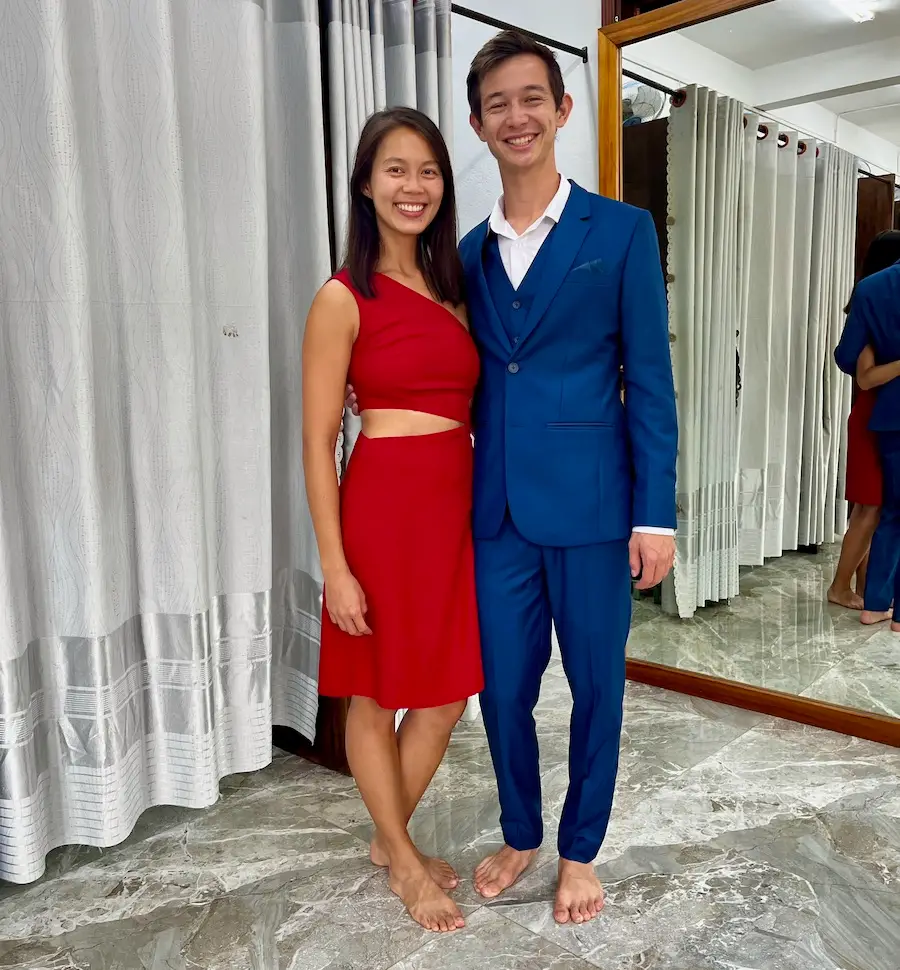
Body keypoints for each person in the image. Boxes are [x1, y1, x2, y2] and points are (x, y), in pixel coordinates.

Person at [349, 31, 678, 924]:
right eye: (498, 105)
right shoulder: (460, 257)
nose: (517, 116)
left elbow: (649, 379)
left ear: (562, 110)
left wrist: (658, 512)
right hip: (491, 513)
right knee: (502, 692)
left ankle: (579, 852)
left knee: (598, 689)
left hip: (601, 510)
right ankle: (523, 829)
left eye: (533, 98)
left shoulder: (620, 231)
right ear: (478, 126)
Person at [302, 107, 483, 934]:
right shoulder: (342, 297)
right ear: (366, 186)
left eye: (429, 171)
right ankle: (404, 862)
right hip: (382, 512)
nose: (413, 187)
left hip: (453, 515)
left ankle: (386, 836)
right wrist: (335, 564)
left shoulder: (455, 291)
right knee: (374, 697)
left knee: (446, 693)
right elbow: (315, 444)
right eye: (396, 170)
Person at [828, 231, 900, 611]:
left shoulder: (869, 305)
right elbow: (860, 371)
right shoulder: (875, 315)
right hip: (874, 414)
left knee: (871, 506)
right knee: (870, 507)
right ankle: (840, 587)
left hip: (873, 413)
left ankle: (861, 584)